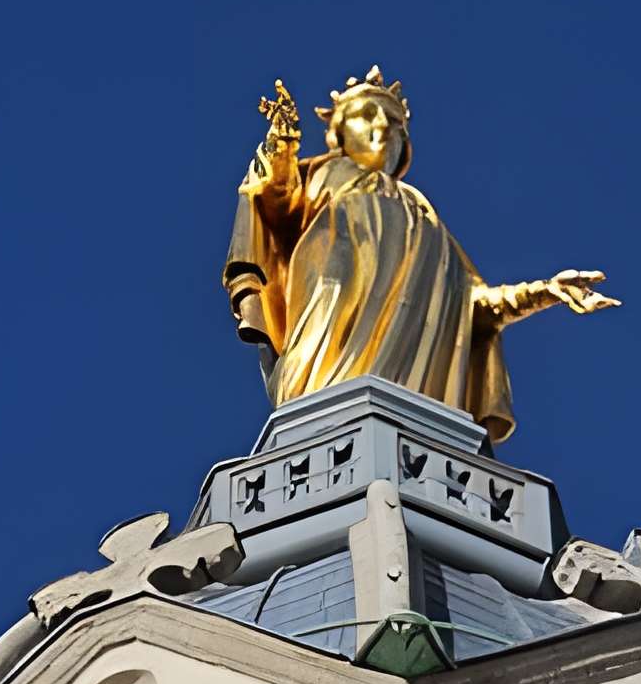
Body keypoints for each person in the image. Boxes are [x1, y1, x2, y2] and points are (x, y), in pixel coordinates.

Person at [223, 68, 616, 445]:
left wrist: (545, 291)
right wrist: (283, 147)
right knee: (321, 411)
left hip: (414, 376)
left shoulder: (423, 215)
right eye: (364, 115)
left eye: (392, 122)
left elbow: (470, 306)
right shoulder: (325, 178)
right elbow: (274, 200)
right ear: (336, 136)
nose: (380, 128)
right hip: (330, 318)